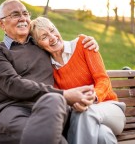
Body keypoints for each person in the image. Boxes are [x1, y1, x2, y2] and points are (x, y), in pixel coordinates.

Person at [0, 0, 99, 144]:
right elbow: (12, 84)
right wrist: (63, 94)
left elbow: (63, 46)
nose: (23, 18)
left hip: (51, 109)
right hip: (13, 112)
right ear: (1, 23)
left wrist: (87, 42)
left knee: (55, 101)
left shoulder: (41, 45)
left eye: (25, 14)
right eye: (15, 15)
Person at [29, 16, 126, 144]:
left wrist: (93, 98)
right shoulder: (48, 68)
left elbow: (103, 79)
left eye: (52, 30)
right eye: (44, 37)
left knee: (85, 112)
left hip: (110, 109)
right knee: (103, 135)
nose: (52, 37)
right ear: (38, 44)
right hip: (82, 117)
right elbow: (60, 97)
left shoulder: (83, 44)